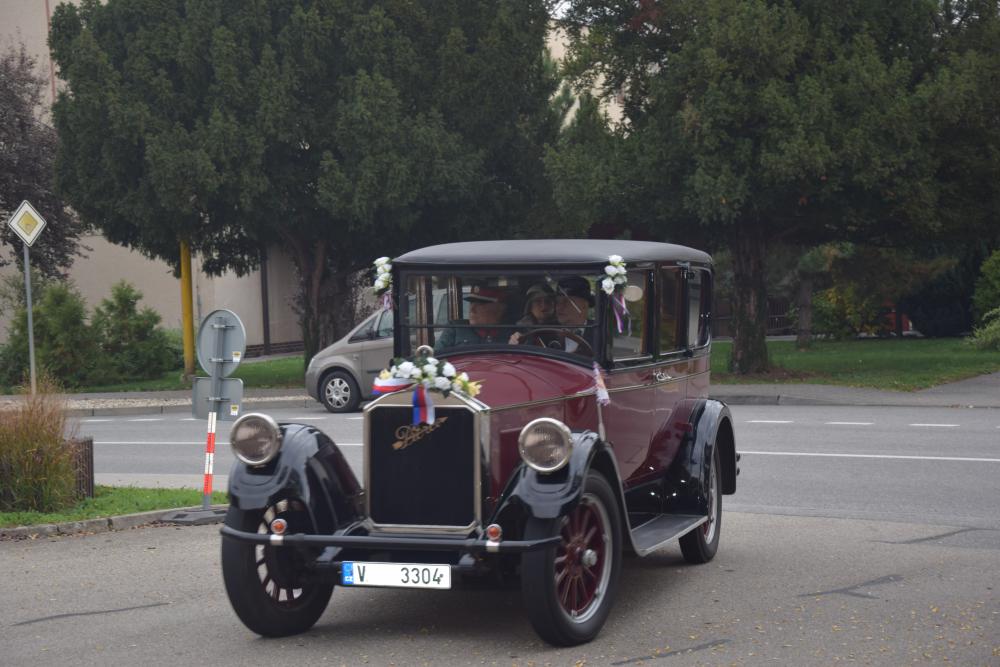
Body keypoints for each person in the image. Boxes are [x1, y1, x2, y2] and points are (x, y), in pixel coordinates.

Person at [434, 281, 510, 351]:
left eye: (480, 304)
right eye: (471, 303)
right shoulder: (455, 328)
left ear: (499, 309)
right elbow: (436, 357)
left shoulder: (510, 333)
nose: (472, 309)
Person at [554, 276, 596, 354]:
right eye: (557, 302)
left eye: (566, 302)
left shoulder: (598, 332)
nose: (559, 307)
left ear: (584, 305)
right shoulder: (547, 332)